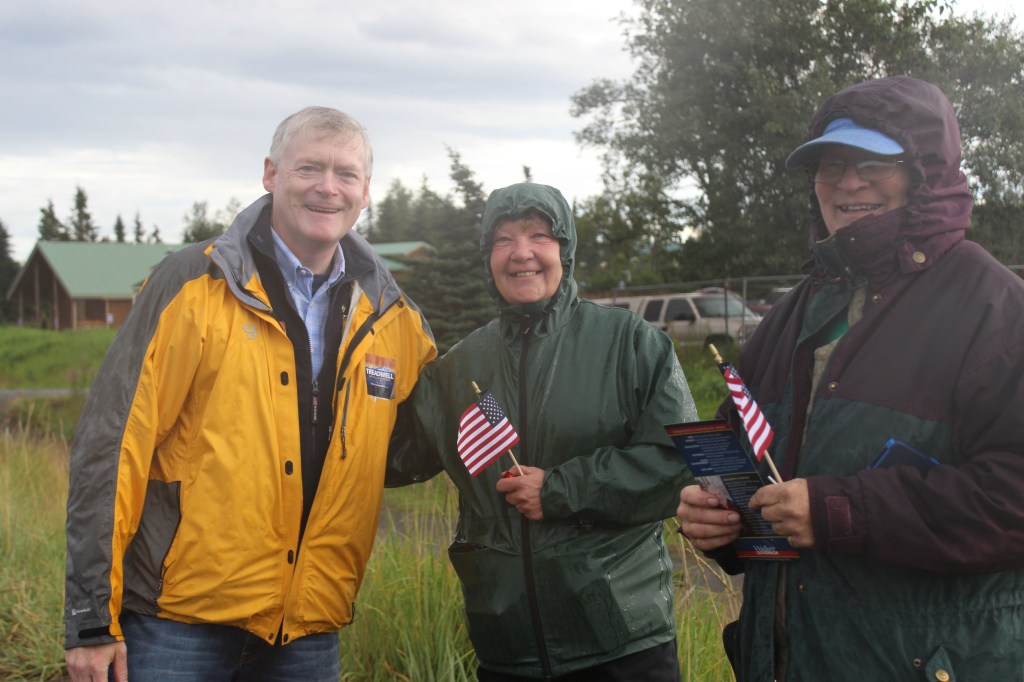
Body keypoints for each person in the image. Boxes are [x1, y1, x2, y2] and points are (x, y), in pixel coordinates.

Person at [63, 106, 437, 681]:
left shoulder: (393, 318)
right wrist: (92, 619)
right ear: (270, 174)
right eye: (309, 167)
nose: (327, 188)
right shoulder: (192, 283)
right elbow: (113, 446)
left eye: (346, 174)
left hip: (308, 632)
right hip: (177, 625)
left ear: (366, 192)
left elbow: (425, 439)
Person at [677, 75, 1024, 680]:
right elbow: (744, 468)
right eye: (830, 165)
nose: (847, 182)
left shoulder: (993, 306)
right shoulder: (791, 314)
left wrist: (844, 511)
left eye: (872, 162)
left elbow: (1013, 500)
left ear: (924, 173)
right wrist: (721, 524)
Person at [387, 182, 697, 680]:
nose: (521, 253)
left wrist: (558, 489)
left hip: (620, 643)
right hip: (506, 645)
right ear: (488, 256)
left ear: (565, 250)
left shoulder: (629, 342)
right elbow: (391, 458)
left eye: (539, 235)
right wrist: (353, 376)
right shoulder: (460, 366)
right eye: (503, 239)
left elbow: (676, 461)